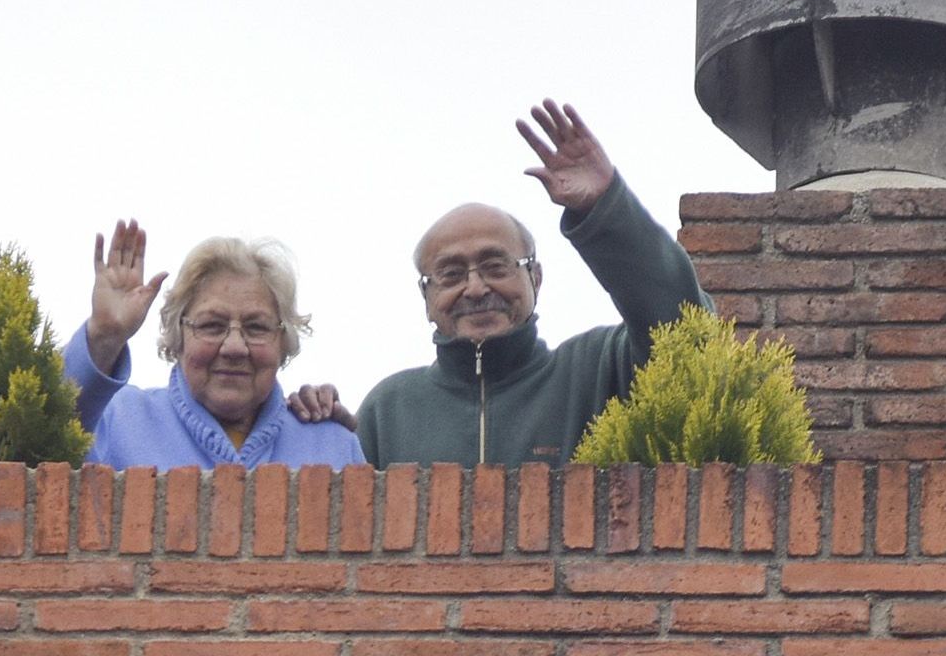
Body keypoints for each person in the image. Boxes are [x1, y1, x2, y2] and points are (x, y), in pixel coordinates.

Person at [291, 99, 712, 467]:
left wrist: (605, 209)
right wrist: (321, 435)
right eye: (451, 275)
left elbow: (684, 326)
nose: (475, 289)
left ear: (535, 277)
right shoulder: (391, 408)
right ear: (426, 297)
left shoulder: (598, 370)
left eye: (496, 266)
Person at [65, 222, 365, 469]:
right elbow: (41, 432)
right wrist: (104, 336)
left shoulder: (332, 446)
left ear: (283, 341)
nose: (234, 347)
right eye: (212, 325)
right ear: (178, 336)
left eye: (257, 327)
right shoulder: (118, 421)